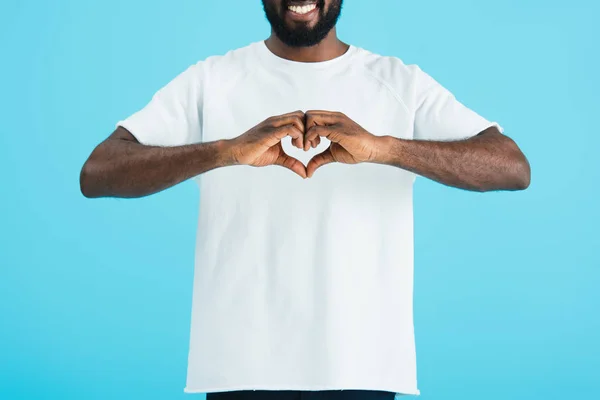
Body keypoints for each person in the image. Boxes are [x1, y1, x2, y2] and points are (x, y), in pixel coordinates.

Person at [80, 1, 531, 399]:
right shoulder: (211, 80)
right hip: (240, 366)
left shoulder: (399, 83)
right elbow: (99, 171)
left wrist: (387, 149)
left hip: (363, 366)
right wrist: (223, 151)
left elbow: (511, 167)